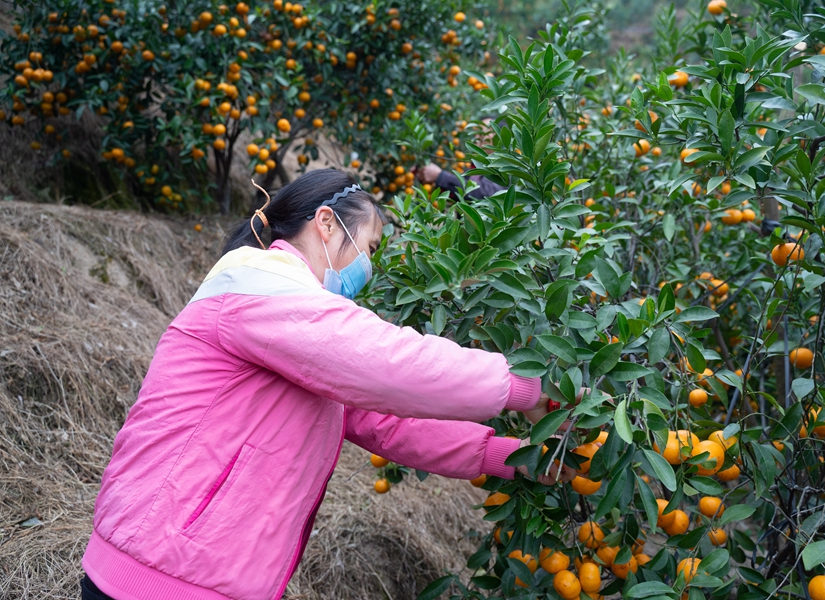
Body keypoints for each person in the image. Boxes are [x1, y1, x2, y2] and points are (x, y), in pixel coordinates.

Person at [80, 168, 566, 600]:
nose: (369, 268)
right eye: (370, 248)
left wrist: (511, 456)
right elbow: (388, 362)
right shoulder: (260, 286)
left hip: (190, 570)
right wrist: (525, 388)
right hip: (159, 572)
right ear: (328, 224)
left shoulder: (292, 322)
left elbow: (385, 422)